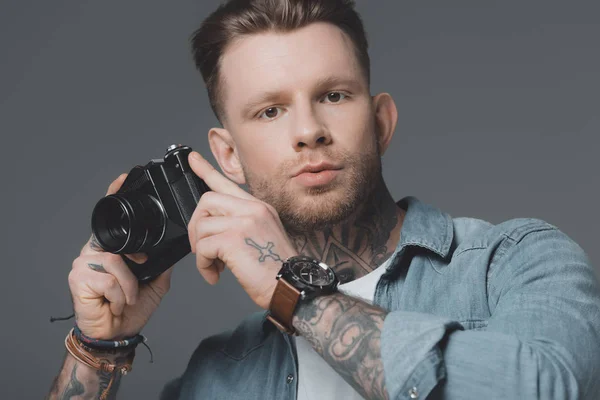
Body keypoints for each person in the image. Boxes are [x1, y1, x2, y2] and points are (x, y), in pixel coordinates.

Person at [47, 0, 600, 399]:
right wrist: (99, 350)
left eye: (333, 96)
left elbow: (546, 389)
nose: (308, 130)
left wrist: (294, 291)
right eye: (270, 110)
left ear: (380, 121)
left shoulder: (516, 261)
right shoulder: (219, 376)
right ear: (229, 156)